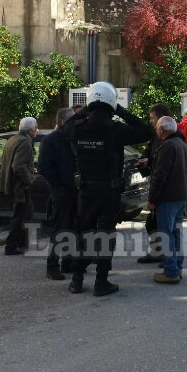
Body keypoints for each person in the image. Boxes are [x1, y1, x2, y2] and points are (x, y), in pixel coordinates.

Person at [60, 82, 152, 296]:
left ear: (90, 101)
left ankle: (76, 280)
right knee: (105, 236)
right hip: (109, 192)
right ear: (112, 102)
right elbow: (146, 131)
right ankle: (101, 282)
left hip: (86, 192)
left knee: (83, 234)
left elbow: (63, 129)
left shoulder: (79, 127)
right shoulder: (116, 129)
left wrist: (83, 111)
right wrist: (121, 111)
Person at [148, 116, 187, 284]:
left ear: (162, 130)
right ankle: (177, 268)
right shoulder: (182, 145)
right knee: (176, 234)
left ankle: (171, 272)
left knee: (166, 235)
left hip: (167, 198)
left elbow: (160, 176)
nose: (156, 130)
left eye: (157, 128)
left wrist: (152, 199)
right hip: (180, 197)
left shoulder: (166, 146)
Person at [38, 107, 77, 280]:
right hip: (61, 192)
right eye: (72, 120)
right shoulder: (50, 140)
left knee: (72, 228)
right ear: (62, 121)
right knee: (59, 229)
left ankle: (68, 262)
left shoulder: (72, 138)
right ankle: (52, 266)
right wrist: (59, 185)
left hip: (74, 190)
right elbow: (44, 167)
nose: (75, 123)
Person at [137, 103, 172, 265]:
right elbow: (149, 151)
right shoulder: (157, 136)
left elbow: (163, 166)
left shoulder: (171, 138)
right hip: (158, 184)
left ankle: (168, 259)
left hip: (166, 188)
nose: (151, 121)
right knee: (153, 222)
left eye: (152, 118)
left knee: (165, 225)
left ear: (161, 118)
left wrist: (150, 161)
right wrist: (145, 160)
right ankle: (158, 253)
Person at [0, 117, 38, 255]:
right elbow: (18, 165)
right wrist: (29, 179)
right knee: (20, 216)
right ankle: (11, 246)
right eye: (36, 128)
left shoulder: (13, 139)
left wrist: (30, 169)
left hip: (14, 184)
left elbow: (17, 163)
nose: (37, 130)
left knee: (27, 213)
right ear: (30, 130)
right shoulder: (25, 142)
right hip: (20, 186)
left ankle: (23, 243)